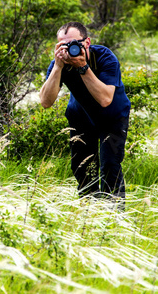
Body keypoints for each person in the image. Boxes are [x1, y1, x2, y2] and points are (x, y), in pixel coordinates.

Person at [39, 21, 131, 204]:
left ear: (87, 42)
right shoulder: (60, 63)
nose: (69, 48)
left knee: (110, 167)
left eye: (74, 43)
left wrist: (83, 67)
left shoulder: (104, 57)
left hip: (112, 116)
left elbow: (105, 99)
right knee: (83, 167)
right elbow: (45, 102)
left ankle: (115, 217)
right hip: (80, 117)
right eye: (63, 45)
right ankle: (89, 213)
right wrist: (57, 67)